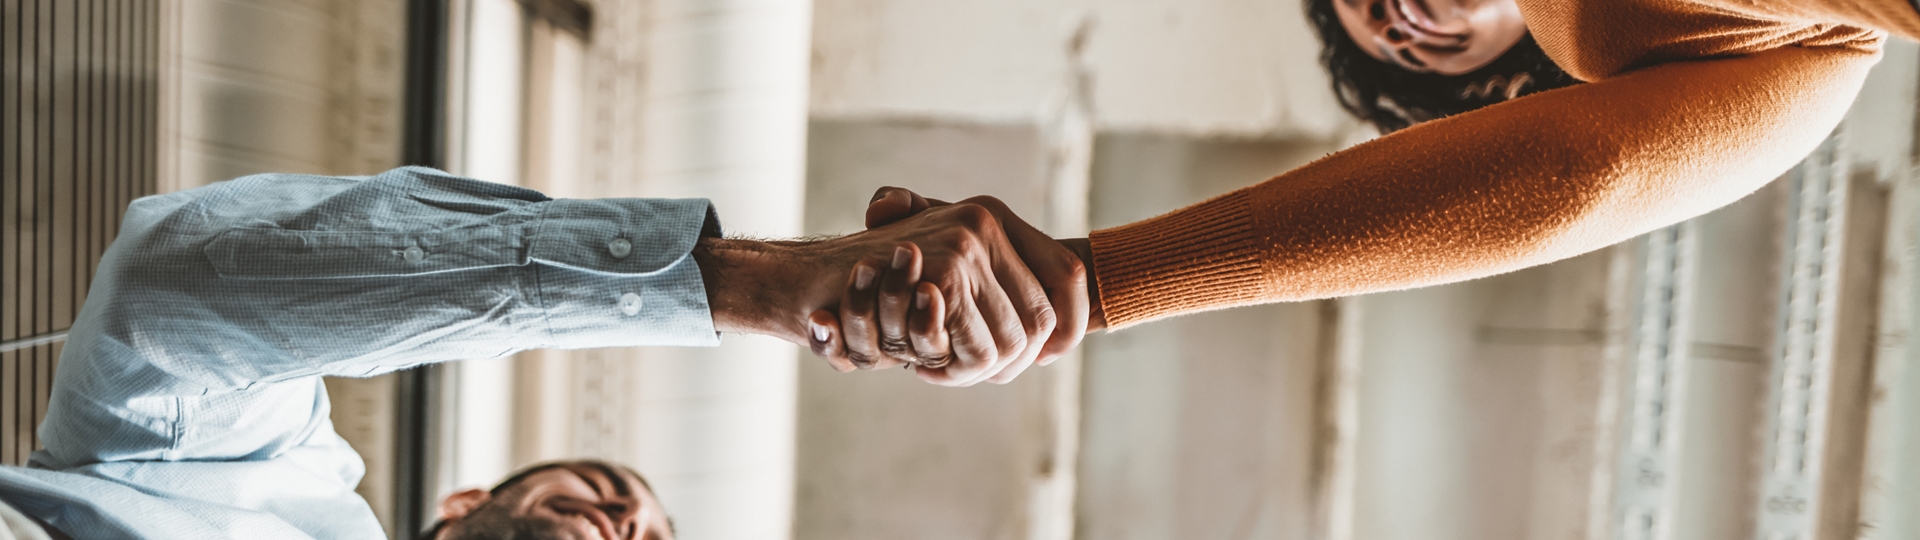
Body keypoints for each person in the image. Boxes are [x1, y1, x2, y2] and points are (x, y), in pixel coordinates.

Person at [809, 0, 1920, 366]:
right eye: (1410, 47)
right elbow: (1585, 172)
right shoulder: (1785, 60)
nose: (1396, 14)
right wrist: (1098, 282)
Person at [0, 166, 1062, 540]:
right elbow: (174, 293)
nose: (625, 528)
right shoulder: (270, 492)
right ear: (463, 504)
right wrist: (751, 285)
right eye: (611, 494)